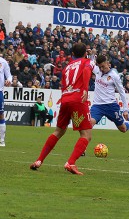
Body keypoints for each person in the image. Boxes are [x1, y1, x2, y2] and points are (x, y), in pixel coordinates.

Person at [30, 43, 94, 175]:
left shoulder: (67, 67)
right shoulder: (86, 61)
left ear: (72, 55)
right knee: (86, 135)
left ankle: (39, 160)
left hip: (65, 99)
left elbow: (64, 84)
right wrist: (85, 89)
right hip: (78, 99)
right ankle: (71, 163)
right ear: (84, 54)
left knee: (58, 131)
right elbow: (87, 71)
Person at [91, 55, 129, 133]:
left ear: (107, 63)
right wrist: (92, 55)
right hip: (97, 105)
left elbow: (122, 92)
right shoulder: (97, 70)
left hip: (111, 106)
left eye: (103, 66)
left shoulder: (114, 76)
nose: (101, 69)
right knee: (89, 124)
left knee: (123, 129)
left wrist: (125, 110)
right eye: (99, 67)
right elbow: (89, 63)